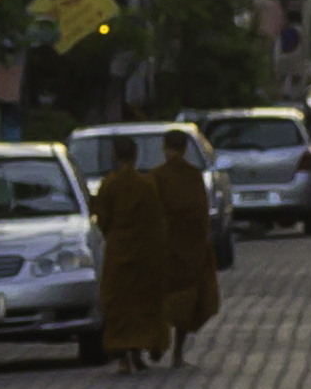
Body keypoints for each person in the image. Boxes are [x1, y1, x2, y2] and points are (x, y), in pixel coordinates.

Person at [90, 131, 188, 370]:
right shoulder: (146, 186)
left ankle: (124, 357)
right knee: (142, 303)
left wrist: (114, 236)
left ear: (115, 156)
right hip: (144, 253)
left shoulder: (109, 185)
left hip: (118, 252)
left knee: (118, 304)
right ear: (135, 156)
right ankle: (137, 351)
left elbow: (102, 220)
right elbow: (157, 221)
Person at [146, 136, 221, 364]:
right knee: (186, 301)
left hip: (165, 248)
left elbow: (151, 214)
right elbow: (202, 213)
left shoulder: (156, 176)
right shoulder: (193, 176)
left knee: (160, 298)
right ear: (186, 148)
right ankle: (177, 352)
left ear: (164, 148)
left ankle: (157, 343)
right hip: (189, 247)